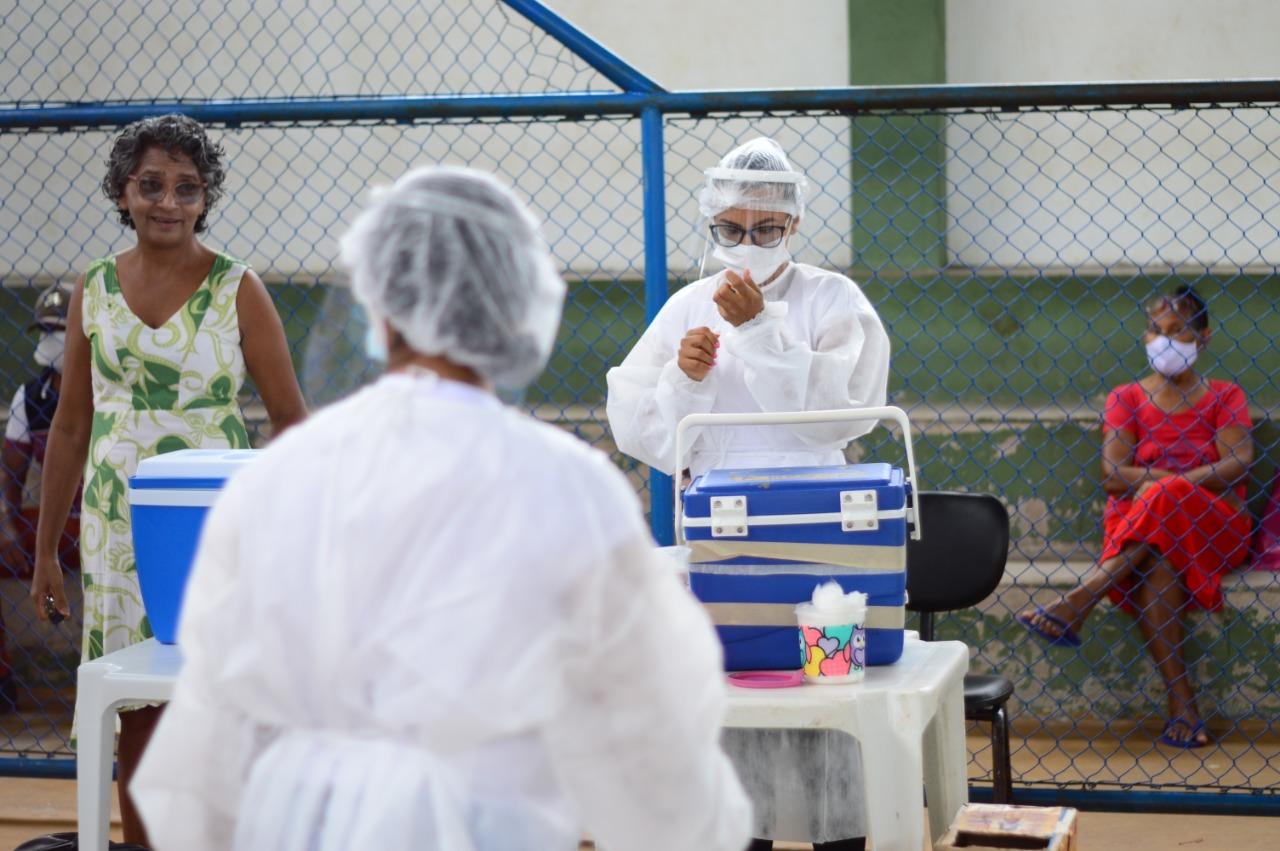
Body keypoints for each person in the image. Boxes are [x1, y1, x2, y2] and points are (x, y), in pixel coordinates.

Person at [130, 166, 752, 851]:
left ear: (381, 304)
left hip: (292, 821)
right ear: (516, 308)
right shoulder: (567, 484)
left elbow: (204, 752)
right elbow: (653, 743)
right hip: (486, 823)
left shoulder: (278, 477)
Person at [28, 114, 308, 844]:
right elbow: (70, 426)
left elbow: (291, 422)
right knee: (137, 703)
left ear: (205, 198)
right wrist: (46, 552)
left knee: (219, 696)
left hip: (212, 521)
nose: (168, 202)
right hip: (118, 524)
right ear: (122, 192)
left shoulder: (238, 288)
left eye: (187, 188)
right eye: (150, 185)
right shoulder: (93, 289)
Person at [607, 137, 891, 850]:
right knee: (736, 695)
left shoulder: (833, 299)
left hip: (821, 524)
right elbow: (643, 428)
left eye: (765, 230)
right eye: (731, 230)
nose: (748, 243)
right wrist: (687, 378)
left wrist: (761, 330)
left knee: (829, 697)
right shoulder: (687, 307)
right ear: (712, 225)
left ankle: (840, 838)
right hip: (721, 524)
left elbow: (846, 407)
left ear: (793, 226)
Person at [1019, 286, 1253, 749]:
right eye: (1155, 330)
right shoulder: (1125, 397)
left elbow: (1238, 461)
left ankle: (1081, 600)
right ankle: (1183, 707)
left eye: (1177, 330)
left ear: (1203, 337)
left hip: (1213, 525)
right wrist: (1174, 486)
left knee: (1165, 497)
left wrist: (1167, 484)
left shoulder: (1225, 396)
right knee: (1160, 562)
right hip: (1141, 530)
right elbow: (1112, 475)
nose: (1164, 340)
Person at [0, 284, 80, 713]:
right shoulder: (29, 399)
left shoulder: (108, 387)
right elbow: (11, 473)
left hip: (109, 519)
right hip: (56, 524)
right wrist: (14, 532)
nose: (50, 339)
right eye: (43, 330)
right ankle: (3, 683)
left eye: (59, 330)